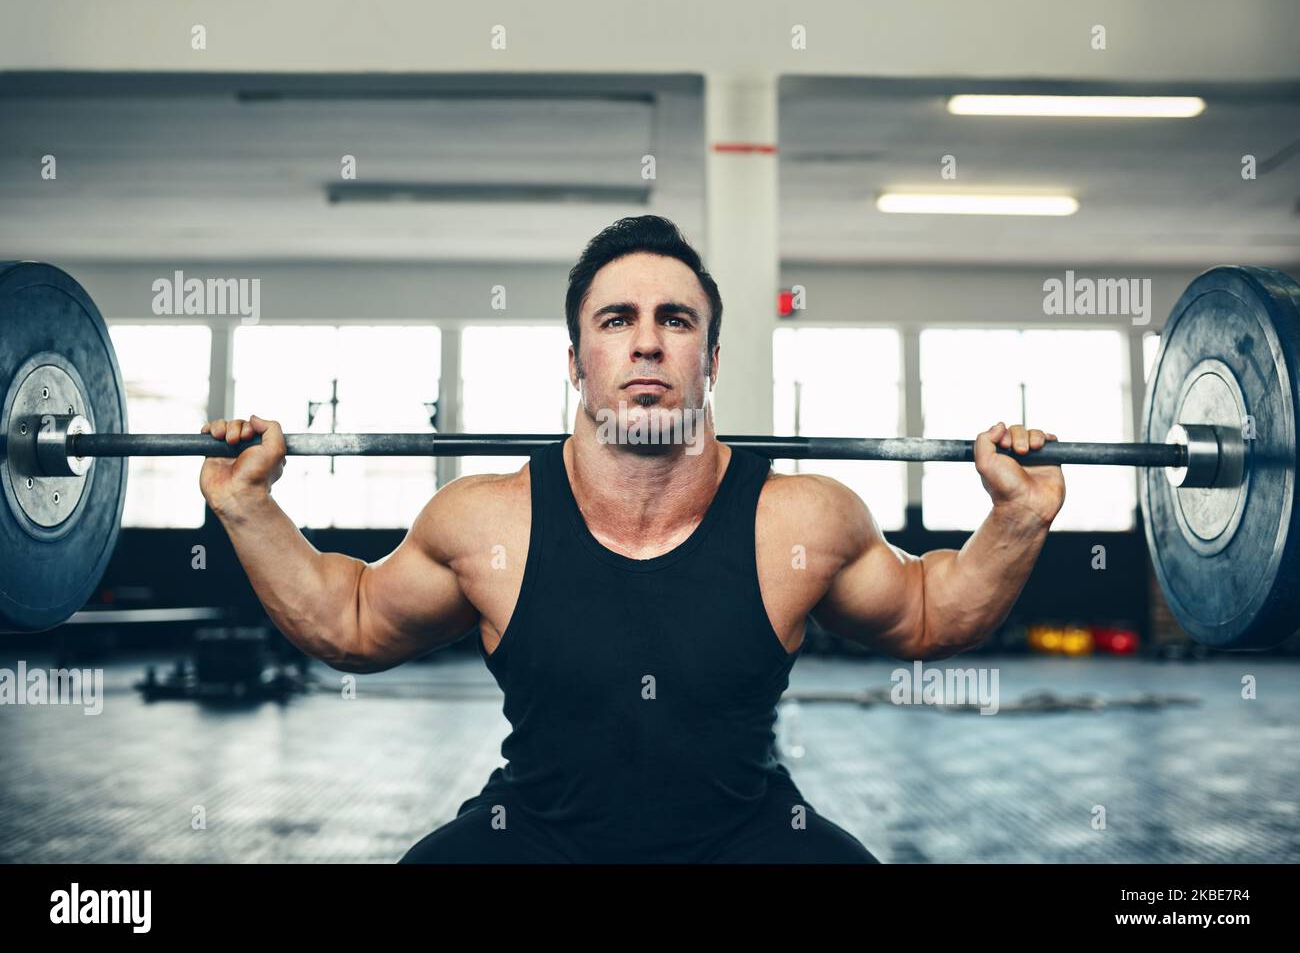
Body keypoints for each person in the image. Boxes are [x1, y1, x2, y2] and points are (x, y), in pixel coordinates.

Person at [199, 215, 1065, 863]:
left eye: (676, 321)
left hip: (746, 835)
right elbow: (351, 623)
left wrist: (1017, 517)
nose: (646, 340)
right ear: (576, 361)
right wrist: (248, 506)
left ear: (711, 360)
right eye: (615, 320)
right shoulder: (485, 520)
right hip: (535, 836)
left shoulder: (799, 519)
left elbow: (926, 614)